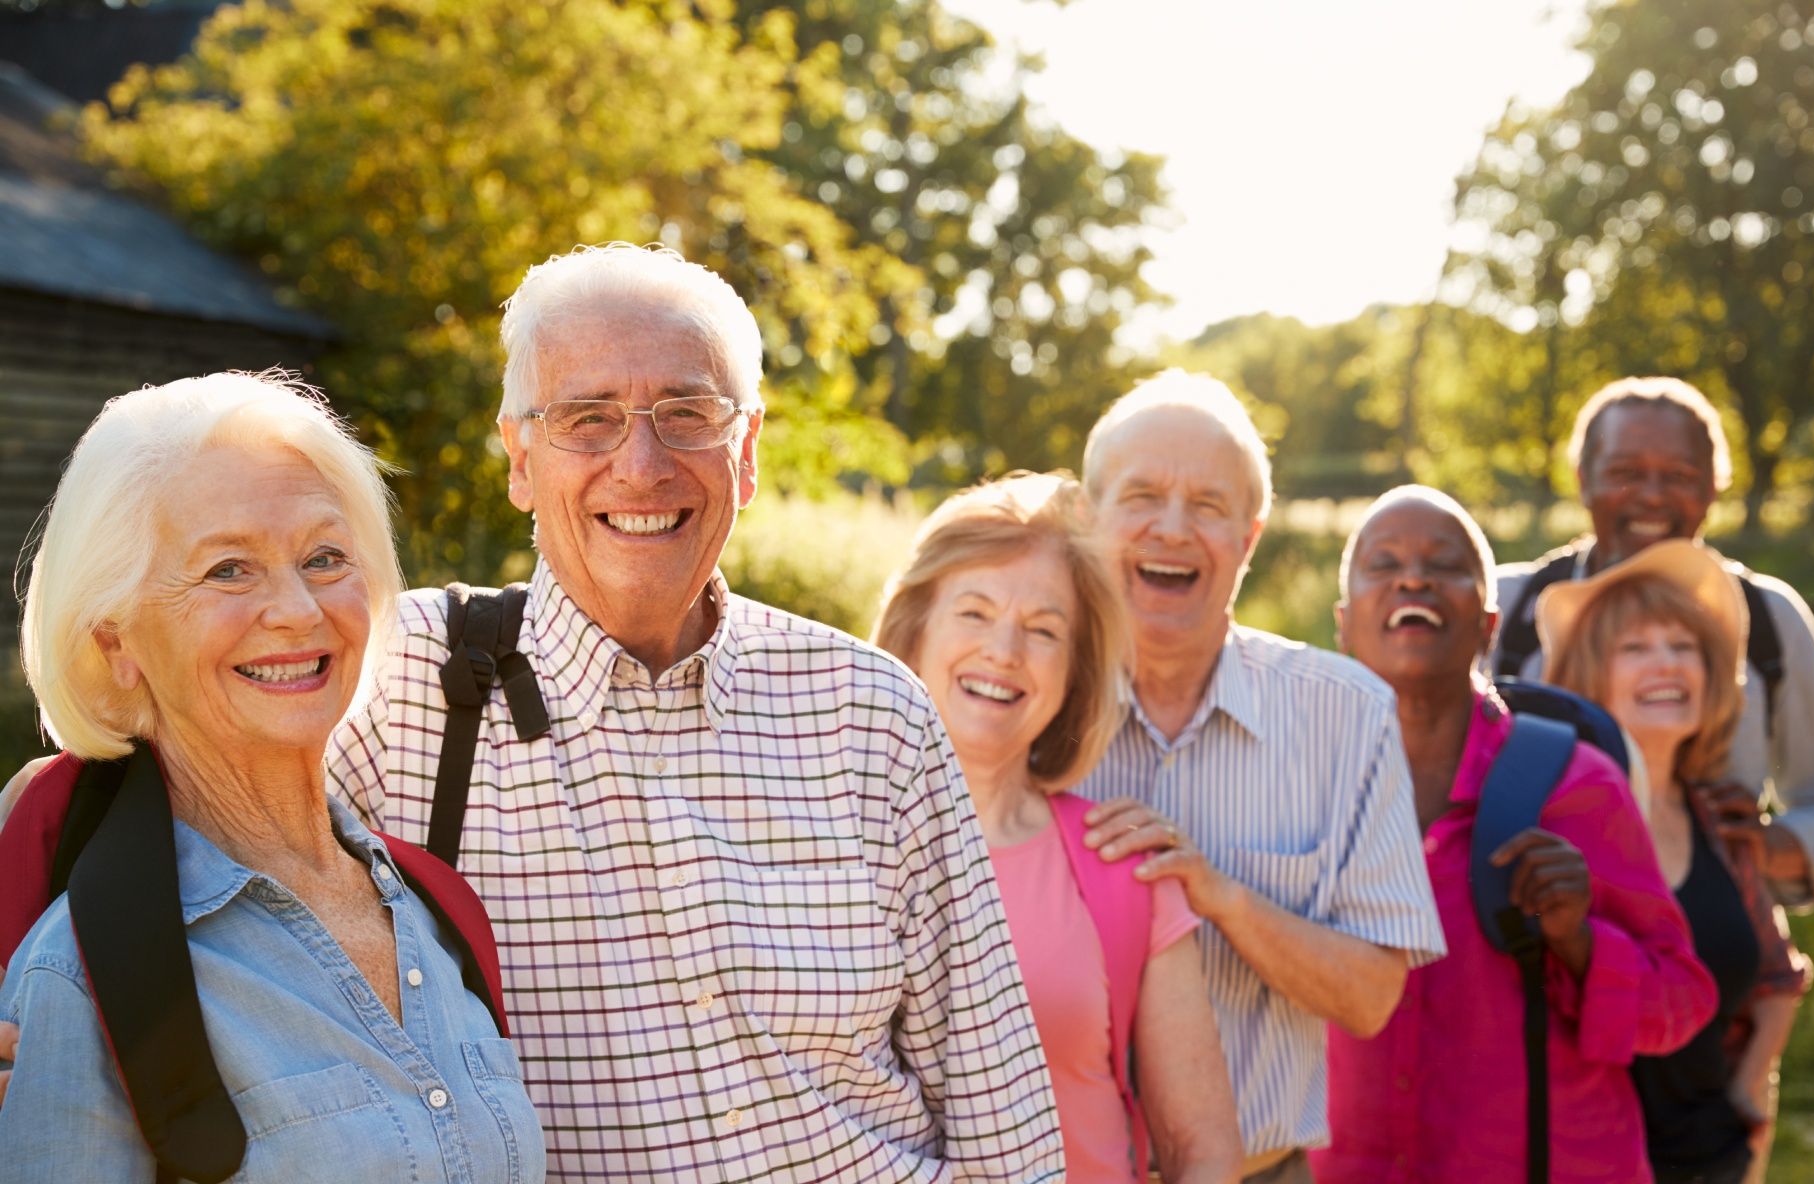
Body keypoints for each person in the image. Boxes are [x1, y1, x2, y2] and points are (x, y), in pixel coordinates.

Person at [325, 243, 1062, 1181]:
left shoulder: (871, 716)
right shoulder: (394, 685)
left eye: (687, 414)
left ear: (745, 454)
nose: (641, 464)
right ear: (519, 459)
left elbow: (1004, 1121)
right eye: (588, 419)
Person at [0, 372, 546, 1181]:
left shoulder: (439, 913)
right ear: (116, 642)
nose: (296, 609)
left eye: (325, 557)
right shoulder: (81, 975)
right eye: (228, 570)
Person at [1069, 371, 1448, 1183]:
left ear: (1249, 534)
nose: (1173, 528)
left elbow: (1371, 997)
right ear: (1087, 517)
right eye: (1142, 496)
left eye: (1208, 504)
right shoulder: (1017, 703)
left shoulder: (1346, 715)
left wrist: (1224, 896)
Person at [1311, 485, 1716, 1184]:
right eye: (1385, 564)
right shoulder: (1297, 786)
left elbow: (1679, 1002)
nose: (1414, 578)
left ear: (1489, 623)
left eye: (1445, 564)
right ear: (1344, 624)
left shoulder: (1572, 783)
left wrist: (1577, 939)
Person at [873, 472, 1242, 1184]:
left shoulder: (1122, 865)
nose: (1004, 651)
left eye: (1044, 630)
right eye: (974, 613)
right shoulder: (809, 840)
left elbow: (1203, 1146)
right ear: (913, 631)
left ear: (1074, 672)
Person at [1487, 376, 1814, 908]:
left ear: (1713, 488)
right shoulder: (1503, 607)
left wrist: (1764, 850)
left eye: (1679, 475)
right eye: (1625, 473)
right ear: (1583, 480)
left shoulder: (1768, 618)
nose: (1651, 494)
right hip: (1531, 947)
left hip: (1717, 957)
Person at [1539, 539, 1812, 1184]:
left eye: (1683, 646)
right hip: (1585, 1161)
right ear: (1587, 676)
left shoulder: (1720, 820)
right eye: (1635, 648)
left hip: (1714, 1155)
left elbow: (1777, 974)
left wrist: (1750, 1094)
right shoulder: (1550, 823)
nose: (1666, 664)